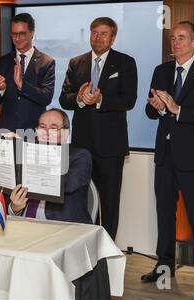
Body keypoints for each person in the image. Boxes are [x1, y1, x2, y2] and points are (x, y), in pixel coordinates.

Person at [141, 21, 194, 297]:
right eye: (172, 38)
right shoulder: (161, 71)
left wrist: (177, 109)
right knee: (164, 213)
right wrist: (157, 108)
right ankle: (165, 266)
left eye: (182, 38)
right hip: (165, 155)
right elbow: (151, 113)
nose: (175, 43)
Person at [59, 17, 138, 239]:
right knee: (81, 199)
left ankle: (107, 250)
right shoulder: (76, 62)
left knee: (110, 203)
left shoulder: (125, 63)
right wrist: (81, 99)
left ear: (113, 38)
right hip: (82, 147)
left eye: (104, 34)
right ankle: (85, 247)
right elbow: (64, 99)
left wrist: (101, 98)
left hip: (111, 147)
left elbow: (128, 100)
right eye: (94, 33)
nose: (98, 38)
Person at [8, 108, 92, 224]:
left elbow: (65, 185)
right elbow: (14, 203)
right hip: (24, 227)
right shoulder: (25, 156)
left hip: (64, 229)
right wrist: (15, 207)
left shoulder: (80, 156)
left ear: (66, 133)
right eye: (42, 127)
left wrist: (34, 152)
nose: (46, 133)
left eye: (53, 128)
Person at [0, 13, 55, 133]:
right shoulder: (3, 61)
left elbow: (46, 98)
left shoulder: (46, 62)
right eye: (14, 34)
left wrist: (22, 85)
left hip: (34, 131)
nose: (17, 38)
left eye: (22, 34)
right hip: (6, 130)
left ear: (32, 33)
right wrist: (1, 89)